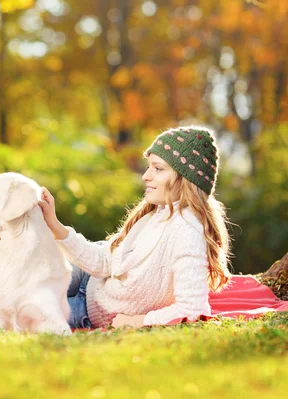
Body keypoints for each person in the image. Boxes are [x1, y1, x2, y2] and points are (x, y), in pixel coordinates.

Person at [39, 126, 233, 330]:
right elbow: (104, 261)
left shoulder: (187, 230)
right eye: (149, 167)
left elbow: (192, 310)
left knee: (18, 308)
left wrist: (136, 321)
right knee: (16, 281)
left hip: (88, 309)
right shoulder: (156, 213)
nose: (146, 176)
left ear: (185, 179)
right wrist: (54, 225)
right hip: (92, 277)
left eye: (158, 169)